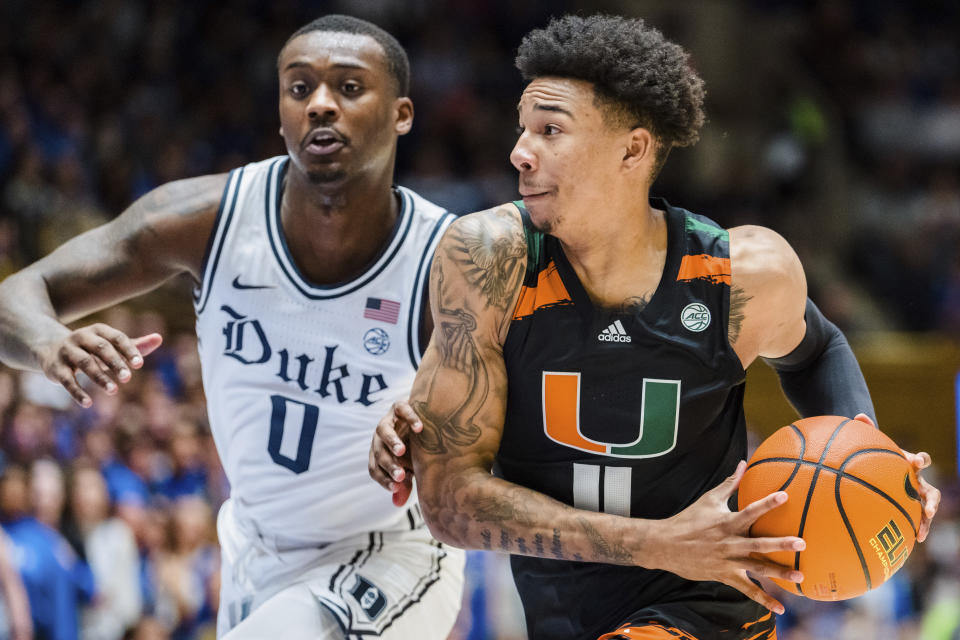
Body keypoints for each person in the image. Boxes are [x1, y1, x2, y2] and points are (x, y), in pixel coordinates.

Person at [368, 14, 941, 640]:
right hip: (567, 612)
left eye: (550, 130)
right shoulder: (487, 261)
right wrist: (660, 543)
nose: (519, 151)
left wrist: (873, 460)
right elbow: (449, 503)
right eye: (523, 128)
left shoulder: (742, 274)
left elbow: (816, 348)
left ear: (633, 150)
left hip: (710, 611)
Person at [0, 14, 464, 640]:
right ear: (280, 114)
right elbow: (16, 297)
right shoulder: (204, 218)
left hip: (386, 551)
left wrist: (432, 427)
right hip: (252, 547)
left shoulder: (446, 262)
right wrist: (52, 344)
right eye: (300, 89)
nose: (321, 104)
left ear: (402, 114)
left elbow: (504, 416)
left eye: (349, 88)